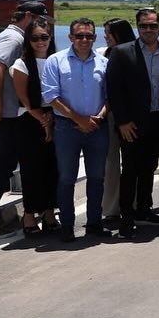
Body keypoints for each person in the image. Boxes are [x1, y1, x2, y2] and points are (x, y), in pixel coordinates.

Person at [105, 8, 159, 238]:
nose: (148, 30)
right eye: (144, 26)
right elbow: (114, 90)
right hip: (133, 123)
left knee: (150, 168)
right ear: (137, 27)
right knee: (131, 170)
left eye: (153, 26)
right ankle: (127, 219)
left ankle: (144, 210)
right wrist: (122, 121)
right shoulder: (121, 52)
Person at [0, 1, 51, 239]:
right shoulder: (14, 40)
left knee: (5, 166)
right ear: (30, 17)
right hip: (9, 116)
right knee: (2, 167)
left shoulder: (6, 35)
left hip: (10, 114)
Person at [41, 18, 111, 243]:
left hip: (97, 128)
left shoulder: (103, 63)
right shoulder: (55, 61)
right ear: (71, 37)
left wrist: (98, 118)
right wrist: (78, 119)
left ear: (95, 38)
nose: (84, 40)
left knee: (97, 177)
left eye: (89, 36)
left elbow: (111, 96)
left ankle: (94, 224)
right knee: (67, 178)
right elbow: (51, 96)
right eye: (79, 35)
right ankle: (67, 226)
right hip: (66, 127)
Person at [10, 18, 59, 234]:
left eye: (44, 37)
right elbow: (26, 102)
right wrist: (44, 122)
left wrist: (50, 121)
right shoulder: (20, 65)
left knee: (52, 168)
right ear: (28, 41)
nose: (41, 42)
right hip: (29, 120)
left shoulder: (55, 60)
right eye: (35, 38)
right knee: (32, 170)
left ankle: (49, 212)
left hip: (54, 116)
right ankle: (29, 216)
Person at [99, 18, 136, 224]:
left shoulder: (133, 53)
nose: (106, 36)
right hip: (109, 115)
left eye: (109, 33)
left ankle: (134, 204)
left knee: (133, 164)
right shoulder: (103, 53)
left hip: (129, 116)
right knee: (110, 163)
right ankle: (111, 208)